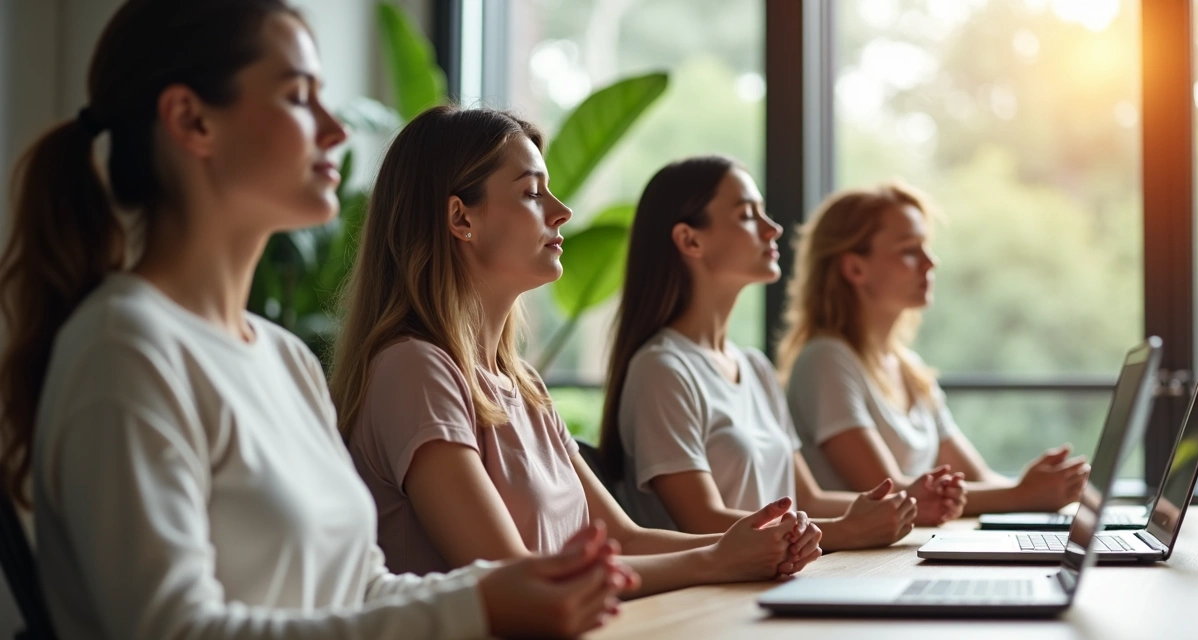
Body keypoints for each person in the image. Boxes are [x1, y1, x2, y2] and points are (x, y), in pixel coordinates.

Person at [0, 2, 634, 638]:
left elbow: (359, 587)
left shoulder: (284, 359)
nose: (334, 128)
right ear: (193, 121)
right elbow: (174, 630)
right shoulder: (126, 350)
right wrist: (479, 604)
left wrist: (498, 587)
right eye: (299, 96)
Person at [331, 107, 823, 598]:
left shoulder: (522, 383)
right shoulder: (413, 369)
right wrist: (718, 560)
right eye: (530, 192)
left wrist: (760, 543)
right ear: (461, 218)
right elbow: (512, 577)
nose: (561, 210)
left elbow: (623, 539)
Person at [598, 156, 964, 550]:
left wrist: (903, 506)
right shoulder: (662, 369)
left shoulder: (755, 367)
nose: (772, 229)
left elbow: (807, 499)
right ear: (691, 240)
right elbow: (702, 521)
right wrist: (850, 530)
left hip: (773, 578)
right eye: (747, 215)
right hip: (705, 597)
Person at [776, 182, 1091, 515]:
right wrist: (1023, 495)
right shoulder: (826, 360)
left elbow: (979, 477)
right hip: (866, 565)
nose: (931, 262)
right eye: (909, 251)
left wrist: (1055, 493)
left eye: (926, 247)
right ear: (855, 268)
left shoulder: (909, 368)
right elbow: (891, 494)